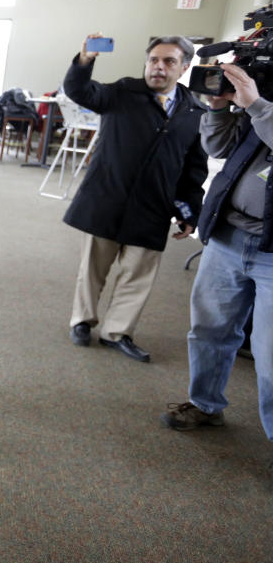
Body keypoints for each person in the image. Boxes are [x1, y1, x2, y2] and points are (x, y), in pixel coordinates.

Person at [64, 33, 208, 363]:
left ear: (184, 68)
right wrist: (85, 60)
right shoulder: (123, 92)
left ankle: (117, 332)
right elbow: (79, 91)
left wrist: (190, 212)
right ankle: (82, 322)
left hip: (153, 207)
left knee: (137, 275)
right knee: (93, 268)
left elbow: (194, 170)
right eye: (154, 60)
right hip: (108, 197)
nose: (159, 67)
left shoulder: (195, 112)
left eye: (169, 61)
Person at [161, 64, 273, 438]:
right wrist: (220, 107)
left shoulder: (261, 103)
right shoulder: (261, 96)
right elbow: (219, 147)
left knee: (271, 357)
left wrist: (257, 106)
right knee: (209, 330)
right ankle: (206, 405)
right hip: (229, 234)